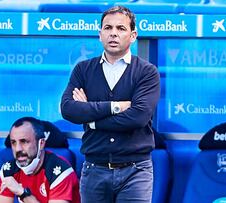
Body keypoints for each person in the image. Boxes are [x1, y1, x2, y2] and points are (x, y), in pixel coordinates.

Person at [60, 5, 160, 203]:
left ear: (133, 35)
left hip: (136, 171)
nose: (113, 33)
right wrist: (115, 107)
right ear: (100, 34)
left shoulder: (147, 72)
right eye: (108, 28)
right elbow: (68, 109)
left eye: (121, 29)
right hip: (94, 169)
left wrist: (92, 118)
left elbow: (138, 117)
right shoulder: (83, 69)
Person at [0, 117, 80, 203]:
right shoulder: (9, 170)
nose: (18, 149)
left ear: (41, 143)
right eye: (13, 142)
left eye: (24, 141)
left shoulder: (60, 171)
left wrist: (22, 193)